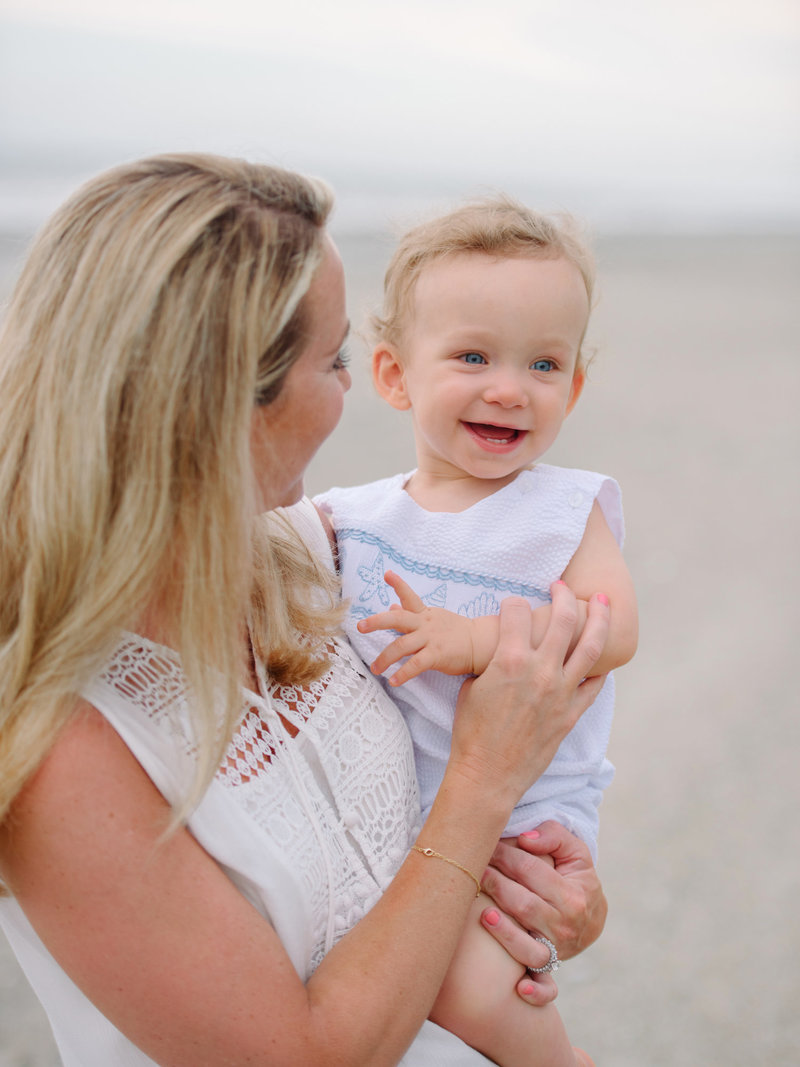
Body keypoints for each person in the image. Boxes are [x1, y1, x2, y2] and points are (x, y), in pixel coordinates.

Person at [0, 155, 610, 1067]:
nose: (355, 386)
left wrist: (548, 898)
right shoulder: (60, 749)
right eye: (333, 361)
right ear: (217, 405)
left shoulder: (316, 561)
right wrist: (484, 780)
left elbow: (411, 866)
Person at [315, 196, 638, 1065]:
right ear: (392, 375)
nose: (509, 387)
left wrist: (478, 642)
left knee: (474, 981)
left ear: (571, 387)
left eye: (543, 363)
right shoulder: (358, 516)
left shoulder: (562, 511)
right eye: (471, 355)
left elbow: (611, 631)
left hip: (524, 809)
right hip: (394, 804)